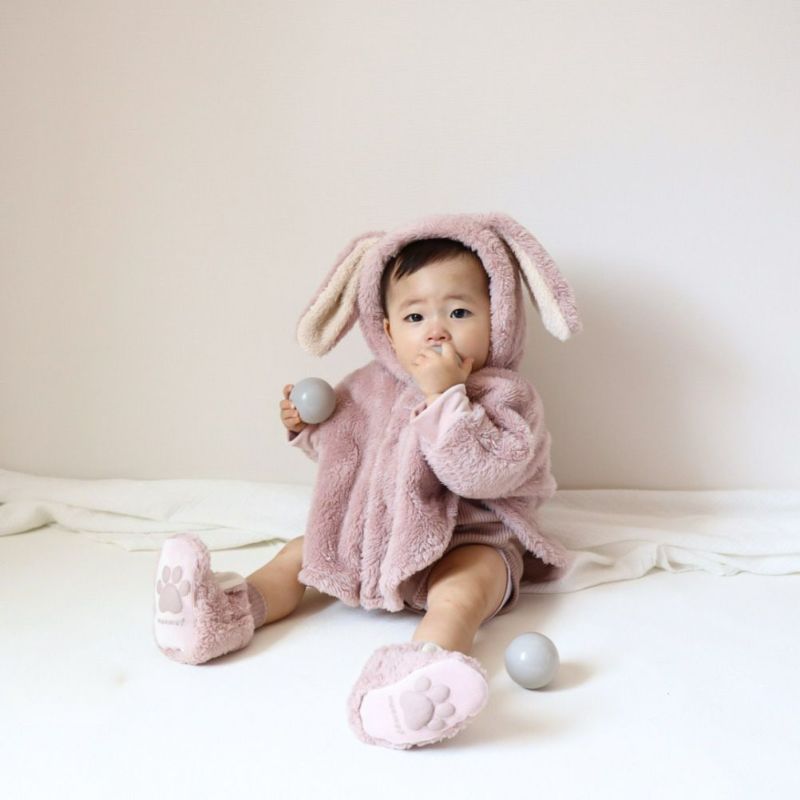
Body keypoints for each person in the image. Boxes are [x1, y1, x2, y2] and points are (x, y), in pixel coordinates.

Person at [153, 212, 582, 750]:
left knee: (464, 590)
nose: (437, 331)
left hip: (469, 541)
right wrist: (308, 427)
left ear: (497, 318)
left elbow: (484, 473)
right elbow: (351, 455)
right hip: (375, 543)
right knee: (300, 554)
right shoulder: (366, 385)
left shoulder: (506, 396)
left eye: (458, 311)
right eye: (415, 316)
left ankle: (419, 677)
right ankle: (220, 614)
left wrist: (445, 397)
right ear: (387, 330)